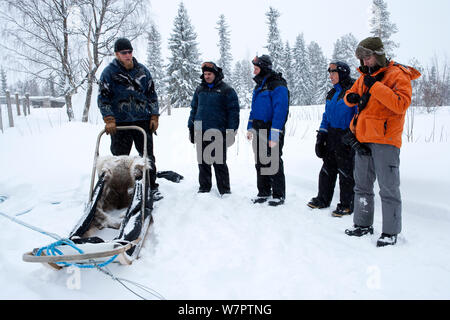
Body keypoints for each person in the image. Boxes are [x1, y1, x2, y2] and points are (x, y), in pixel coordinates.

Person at [343, 37, 421, 247]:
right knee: (362, 186)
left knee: (388, 188)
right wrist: (349, 98)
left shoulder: (397, 75)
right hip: (362, 138)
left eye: (367, 57)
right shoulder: (365, 76)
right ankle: (362, 225)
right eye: (362, 58)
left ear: (378, 54)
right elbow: (351, 93)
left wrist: (375, 87)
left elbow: (400, 104)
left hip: (386, 140)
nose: (365, 62)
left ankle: (390, 232)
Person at [97, 38, 162, 201]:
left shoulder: (142, 71)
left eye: (130, 52)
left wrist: (154, 115)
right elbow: (103, 98)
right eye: (123, 53)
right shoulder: (109, 73)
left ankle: (151, 187)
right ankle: (120, 190)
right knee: (120, 159)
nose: (127, 55)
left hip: (142, 120)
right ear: (117, 54)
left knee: (147, 155)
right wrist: (109, 118)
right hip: (120, 123)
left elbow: (152, 94)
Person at [307, 61, 356, 217]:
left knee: (346, 172)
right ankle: (323, 199)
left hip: (347, 136)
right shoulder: (331, 93)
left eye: (333, 73)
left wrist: (352, 134)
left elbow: (358, 114)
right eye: (329, 73)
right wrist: (321, 135)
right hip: (332, 136)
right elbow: (326, 116)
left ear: (342, 73)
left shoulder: (353, 91)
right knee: (327, 169)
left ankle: (346, 205)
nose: (331, 76)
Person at [188, 61, 240, 196]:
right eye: (205, 74)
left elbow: (233, 112)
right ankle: (204, 187)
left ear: (215, 74)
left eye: (209, 74)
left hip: (218, 131)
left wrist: (231, 131)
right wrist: (191, 128)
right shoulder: (199, 89)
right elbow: (194, 109)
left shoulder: (226, 90)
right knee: (203, 162)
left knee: (219, 162)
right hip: (200, 130)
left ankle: (224, 189)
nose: (206, 76)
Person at [246, 55, 289, 207]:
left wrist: (275, 135)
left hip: (271, 128)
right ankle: (263, 191)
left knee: (273, 161)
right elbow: (254, 109)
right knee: (260, 161)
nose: (254, 71)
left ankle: (278, 195)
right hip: (258, 128)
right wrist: (250, 127)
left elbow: (281, 111)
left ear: (263, 68)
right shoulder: (259, 86)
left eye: (256, 68)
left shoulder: (277, 85)